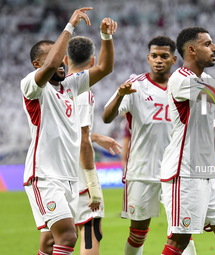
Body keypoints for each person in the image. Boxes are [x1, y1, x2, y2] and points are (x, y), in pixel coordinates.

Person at [21, 7, 116, 255]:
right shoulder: (33, 86)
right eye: (55, 55)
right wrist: (70, 26)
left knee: (52, 242)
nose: (62, 60)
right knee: (67, 236)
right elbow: (52, 63)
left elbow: (105, 67)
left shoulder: (71, 86)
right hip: (44, 175)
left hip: (69, 178)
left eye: (64, 56)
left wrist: (106, 37)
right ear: (37, 64)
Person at [159, 27, 215, 255]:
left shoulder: (203, 78)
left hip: (208, 171)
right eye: (208, 44)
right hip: (185, 172)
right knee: (179, 241)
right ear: (191, 49)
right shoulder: (180, 79)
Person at [102, 36, 196, 255]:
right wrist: (119, 95)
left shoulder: (182, 85)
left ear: (174, 59)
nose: (158, 60)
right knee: (138, 232)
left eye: (164, 56)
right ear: (148, 58)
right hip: (142, 170)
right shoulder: (135, 85)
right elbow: (107, 117)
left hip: (175, 171)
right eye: (154, 56)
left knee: (183, 232)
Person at [67, 36, 122, 255]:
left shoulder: (54, 88)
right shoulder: (82, 92)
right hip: (77, 172)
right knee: (91, 229)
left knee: (59, 237)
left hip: (54, 172)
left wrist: (95, 137)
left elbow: (70, 131)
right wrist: (93, 184)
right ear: (92, 62)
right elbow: (81, 140)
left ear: (64, 59)